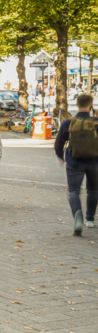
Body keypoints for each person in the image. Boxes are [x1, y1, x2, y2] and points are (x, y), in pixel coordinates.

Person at [54, 93, 98, 236]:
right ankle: (90, 219)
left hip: (74, 161)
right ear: (90, 104)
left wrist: (61, 156)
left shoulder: (69, 122)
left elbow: (59, 142)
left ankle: (77, 215)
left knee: (74, 190)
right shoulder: (96, 122)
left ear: (77, 103)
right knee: (93, 189)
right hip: (94, 161)